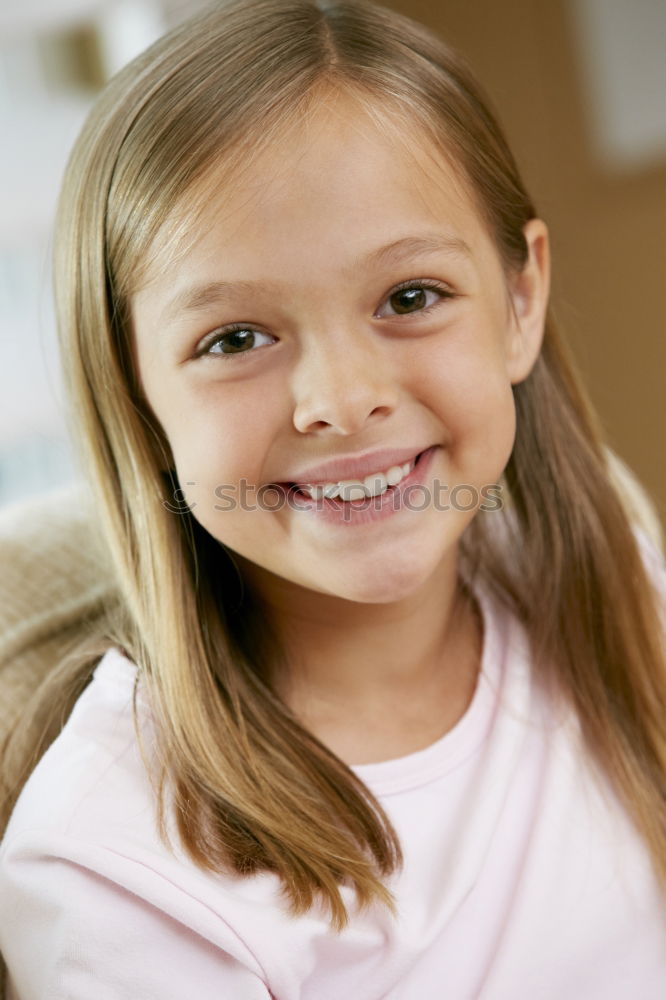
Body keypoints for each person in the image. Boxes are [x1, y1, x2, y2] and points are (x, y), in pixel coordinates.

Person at [1, 0, 665, 996]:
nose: (345, 400)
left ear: (520, 301)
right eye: (233, 339)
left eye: (410, 297)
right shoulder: (115, 862)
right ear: (134, 394)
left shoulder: (612, 591)